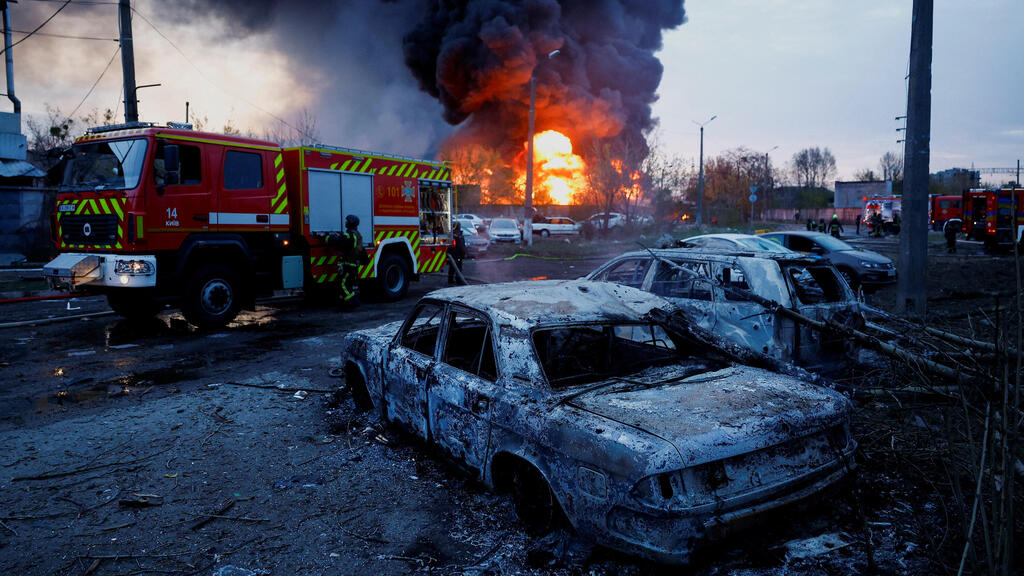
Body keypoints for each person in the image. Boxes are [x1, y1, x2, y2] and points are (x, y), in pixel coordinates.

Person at [322, 215, 367, 308]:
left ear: (351, 223)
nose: (345, 223)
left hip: (349, 265)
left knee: (342, 285)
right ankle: (344, 304)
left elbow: (337, 241)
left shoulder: (350, 235)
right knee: (345, 285)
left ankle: (353, 302)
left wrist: (325, 237)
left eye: (347, 221)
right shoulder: (355, 234)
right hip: (351, 264)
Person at [448, 221, 467, 285]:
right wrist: (464, 253)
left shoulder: (451, 234)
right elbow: (461, 245)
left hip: (452, 254)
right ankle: (458, 280)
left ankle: (450, 280)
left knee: (452, 267)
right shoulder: (458, 235)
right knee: (458, 268)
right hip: (458, 254)